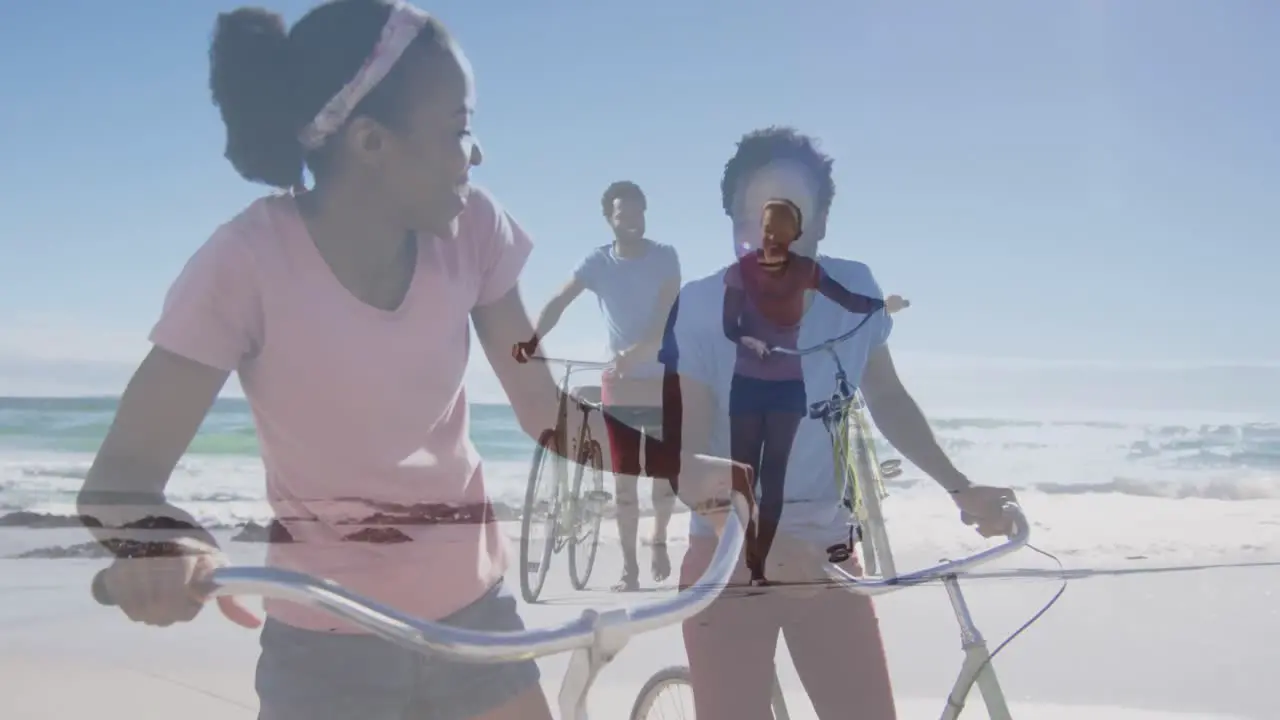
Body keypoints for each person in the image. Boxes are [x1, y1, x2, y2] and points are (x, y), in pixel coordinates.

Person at [73, 3, 747, 718]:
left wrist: (678, 467)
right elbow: (118, 484)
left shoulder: (474, 232)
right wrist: (160, 546)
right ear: (370, 142)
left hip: (476, 626)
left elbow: (545, 410)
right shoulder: (244, 264)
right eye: (459, 129)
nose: (476, 153)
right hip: (324, 651)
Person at [659, 126, 1019, 720]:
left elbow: (887, 396)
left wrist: (959, 486)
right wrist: (763, 544)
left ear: (821, 223)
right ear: (732, 222)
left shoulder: (856, 290)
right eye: (754, 216)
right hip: (728, 569)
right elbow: (687, 463)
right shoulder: (700, 308)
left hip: (828, 563)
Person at [513, 181, 680, 592]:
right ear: (610, 220)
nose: (632, 221)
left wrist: (633, 355)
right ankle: (630, 570)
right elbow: (558, 301)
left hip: (662, 381)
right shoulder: (598, 263)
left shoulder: (664, 258)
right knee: (624, 488)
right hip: (620, 388)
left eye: (638, 212)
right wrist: (532, 341)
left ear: (646, 214)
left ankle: (657, 541)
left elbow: (663, 322)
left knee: (662, 482)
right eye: (623, 215)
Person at [722, 197, 896, 587]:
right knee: (743, 477)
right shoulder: (740, 273)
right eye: (768, 228)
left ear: (795, 235)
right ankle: (742, 555)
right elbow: (729, 326)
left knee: (774, 477)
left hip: (788, 387)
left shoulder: (805, 271)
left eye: (782, 231)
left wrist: (883, 304)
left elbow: (850, 301)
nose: (773, 237)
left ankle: (758, 566)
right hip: (747, 386)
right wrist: (749, 341)